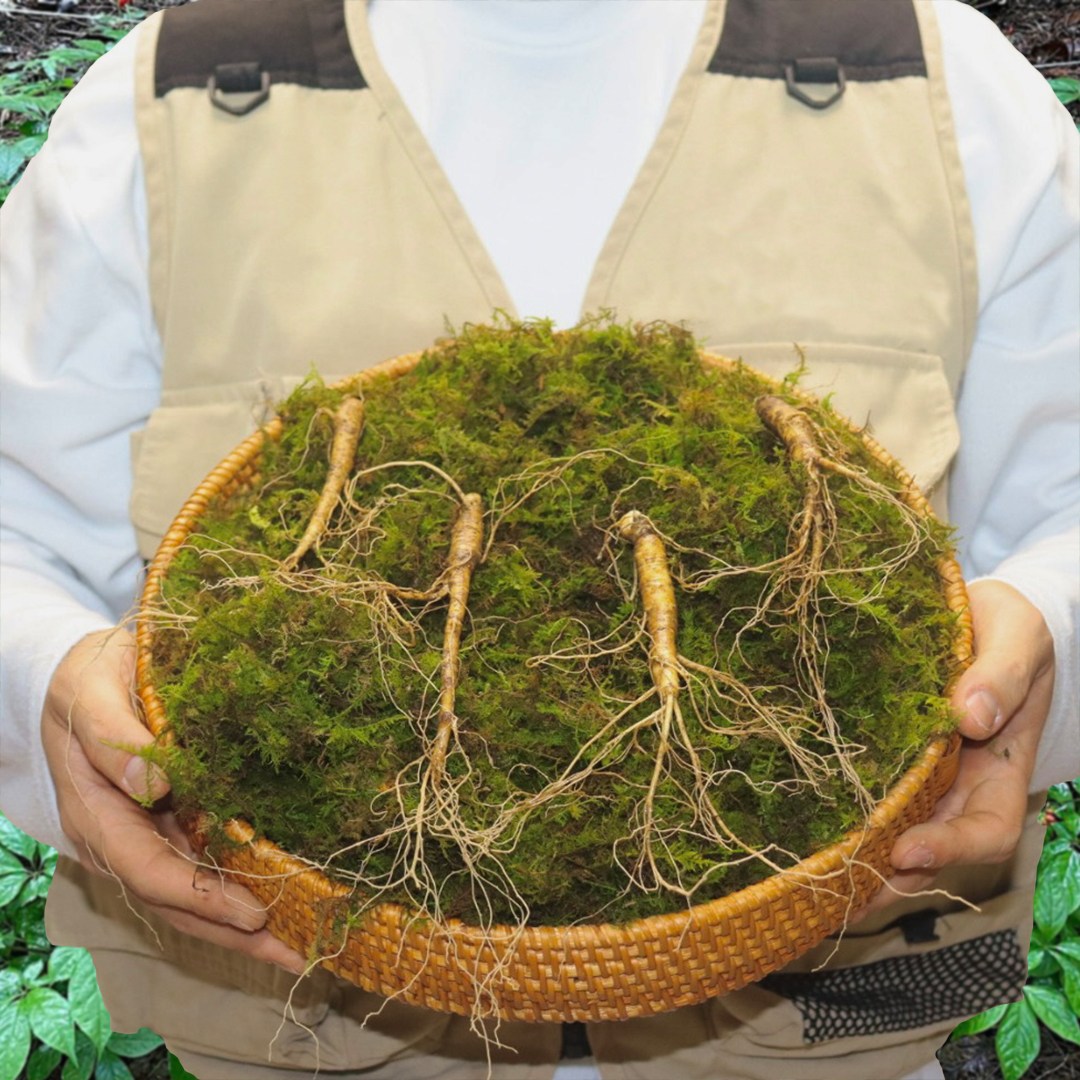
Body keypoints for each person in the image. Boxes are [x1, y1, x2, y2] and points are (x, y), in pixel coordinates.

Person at [1, 1, 1077, 1078]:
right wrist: (47, 672)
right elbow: (18, 541)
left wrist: (1045, 626)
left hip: (837, 1029)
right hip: (307, 1035)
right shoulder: (172, 105)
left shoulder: (935, 82)